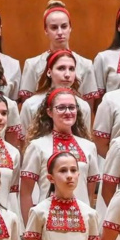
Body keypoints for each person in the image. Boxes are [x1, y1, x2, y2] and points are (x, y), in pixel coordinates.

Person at [20, 88, 100, 222]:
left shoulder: (89, 147)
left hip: (80, 221)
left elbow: (89, 193)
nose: (68, 112)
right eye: (61, 108)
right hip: (47, 221)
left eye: (71, 107)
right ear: (49, 112)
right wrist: (31, 229)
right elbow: (25, 193)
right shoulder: (36, 146)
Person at [18, 1, 100, 103]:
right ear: (46, 30)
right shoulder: (32, 64)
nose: (60, 32)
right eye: (54, 27)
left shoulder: (86, 65)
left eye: (64, 26)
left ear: (70, 28)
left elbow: (88, 108)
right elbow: (27, 105)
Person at [17, 49, 94, 137]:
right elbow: (23, 141)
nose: (67, 74)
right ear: (49, 72)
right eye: (61, 68)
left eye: (71, 69)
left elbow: (85, 139)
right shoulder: (31, 105)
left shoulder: (83, 106)